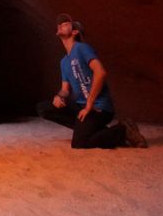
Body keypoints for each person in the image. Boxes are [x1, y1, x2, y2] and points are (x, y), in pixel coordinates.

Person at [36, 13, 147, 149]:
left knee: (79, 143)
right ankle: (88, 129)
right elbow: (65, 90)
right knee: (44, 108)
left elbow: (100, 72)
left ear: (75, 31)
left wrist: (89, 103)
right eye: (60, 24)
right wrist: (59, 97)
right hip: (81, 106)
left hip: (98, 107)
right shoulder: (64, 62)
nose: (60, 25)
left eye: (65, 24)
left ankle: (123, 130)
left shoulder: (82, 48)